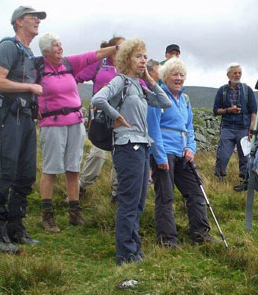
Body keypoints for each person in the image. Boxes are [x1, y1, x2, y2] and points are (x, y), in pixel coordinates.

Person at [91, 38, 171, 265]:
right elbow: (98, 98)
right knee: (129, 201)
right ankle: (125, 253)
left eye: (145, 56)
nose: (143, 60)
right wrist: (116, 117)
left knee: (138, 202)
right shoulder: (121, 81)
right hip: (127, 146)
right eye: (138, 56)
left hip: (142, 146)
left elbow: (166, 103)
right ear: (127, 58)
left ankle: (134, 248)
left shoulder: (139, 85)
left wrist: (149, 79)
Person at [35, 33, 119, 233]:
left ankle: (75, 213)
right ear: (46, 51)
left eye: (60, 44)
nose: (60, 47)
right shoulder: (37, 68)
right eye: (56, 45)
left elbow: (93, 56)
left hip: (75, 122)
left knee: (73, 168)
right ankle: (47, 216)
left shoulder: (68, 64)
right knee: (51, 169)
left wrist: (117, 48)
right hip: (52, 124)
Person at [0, 5, 46, 254]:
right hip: (8, 117)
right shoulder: (8, 46)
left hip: (25, 117)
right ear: (19, 21)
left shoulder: (28, 52)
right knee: (7, 171)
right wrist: (31, 89)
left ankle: (16, 227)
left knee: (26, 175)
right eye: (34, 18)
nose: (38, 22)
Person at [147, 58, 220, 247]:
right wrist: (160, 156)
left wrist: (191, 148)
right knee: (166, 196)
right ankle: (167, 240)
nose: (178, 78)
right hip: (165, 152)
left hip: (183, 152)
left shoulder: (185, 99)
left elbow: (189, 127)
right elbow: (153, 128)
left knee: (195, 192)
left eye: (181, 75)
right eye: (174, 74)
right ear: (165, 77)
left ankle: (200, 234)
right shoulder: (158, 97)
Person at [75, 36, 125, 203]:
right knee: (98, 153)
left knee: (120, 152)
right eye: (120, 47)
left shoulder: (128, 67)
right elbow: (76, 76)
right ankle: (81, 187)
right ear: (111, 48)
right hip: (100, 116)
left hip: (121, 117)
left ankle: (117, 194)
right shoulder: (100, 64)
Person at [212, 63, 257, 189]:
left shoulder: (247, 90)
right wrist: (228, 110)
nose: (237, 75)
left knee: (245, 156)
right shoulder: (222, 91)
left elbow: (254, 110)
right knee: (223, 154)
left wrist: (252, 127)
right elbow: (215, 110)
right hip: (227, 127)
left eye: (239, 73)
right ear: (228, 75)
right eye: (234, 72)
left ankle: (245, 180)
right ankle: (219, 178)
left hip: (244, 127)